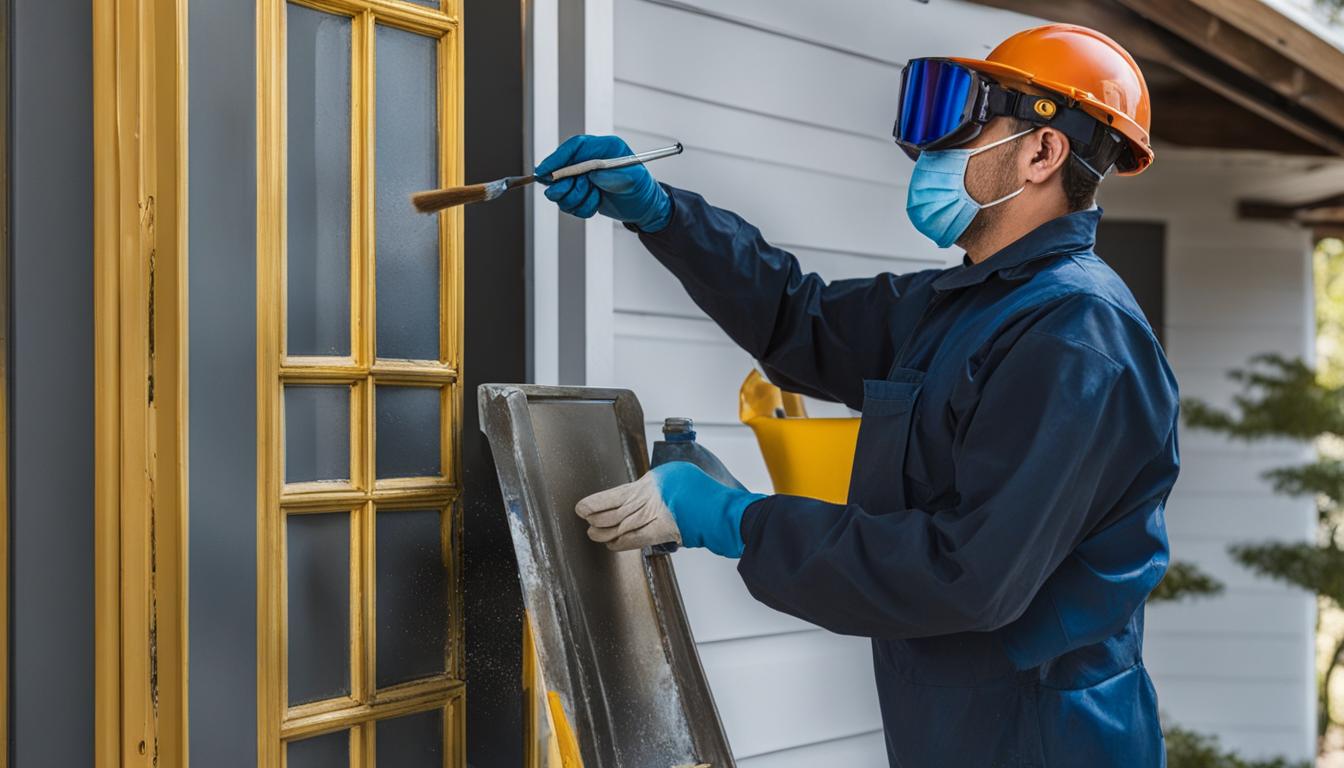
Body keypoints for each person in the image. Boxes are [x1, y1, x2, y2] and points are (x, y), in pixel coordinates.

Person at [541, 24, 1178, 768]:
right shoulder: (966, 304)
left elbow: (967, 575)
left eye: (966, 122)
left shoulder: (1074, 337)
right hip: (956, 734)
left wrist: (737, 520)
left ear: (1042, 151)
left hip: (1043, 743)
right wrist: (661, 213)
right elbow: (798, 319)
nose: (929, 153)